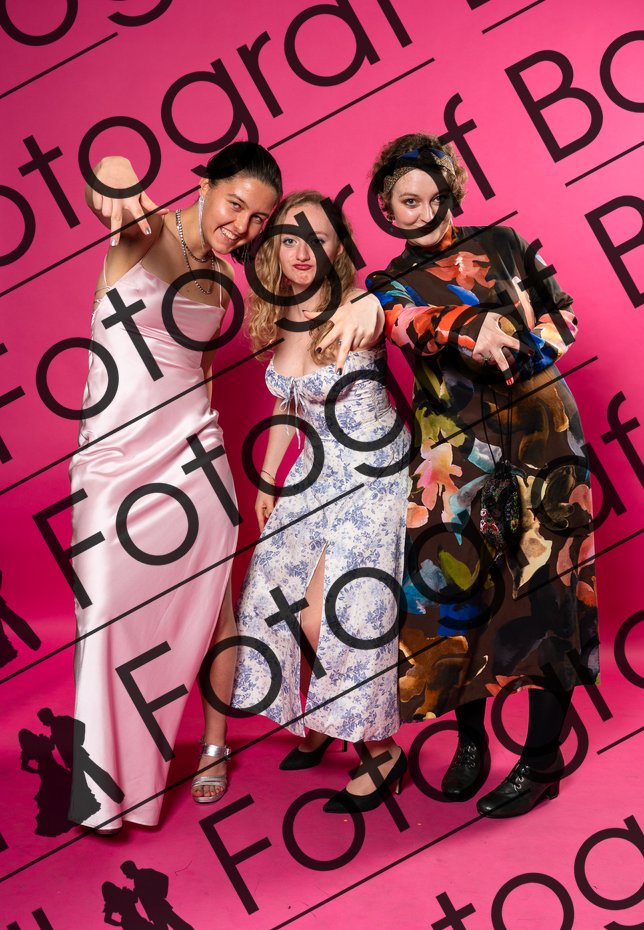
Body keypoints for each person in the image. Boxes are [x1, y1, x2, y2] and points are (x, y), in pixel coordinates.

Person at [366, 133, 599, 818]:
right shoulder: (386, 285)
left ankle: (541, 759)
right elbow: (406, 323)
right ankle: (471, 741)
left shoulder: (506, 243)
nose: (424, 210)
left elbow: (563, 312)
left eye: (434, 195)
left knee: (550, 592)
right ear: (386, 207)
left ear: (452, 193)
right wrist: (470, 329)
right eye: (408, 200)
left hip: (545, 439)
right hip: (454, 458)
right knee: (453, 594)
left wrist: (527, 351)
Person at [70, 142, 282, 828]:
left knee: (215, 609)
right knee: (105, 607)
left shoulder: (223, 280)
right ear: (203, 185)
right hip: (113, 464)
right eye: (234, 204)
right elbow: (109, 174)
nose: (241, 226)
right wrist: (117, 177)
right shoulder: (144, 231)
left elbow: (200, 372)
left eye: (258, 219)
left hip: (193, 456)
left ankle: (215, 743)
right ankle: (109, 787)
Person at [231, 191, 410, 812]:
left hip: (373, 471)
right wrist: (268, 481)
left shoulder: (359, 306)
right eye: (289, 238)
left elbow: (389, 304)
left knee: (335, 614)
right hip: (314, 471)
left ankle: (382, 750)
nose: (302, 250)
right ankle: (323, 717)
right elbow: (289, 402)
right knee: (271, 595)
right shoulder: (282, 313)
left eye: (318, 238)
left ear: (339, 248)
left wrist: (374, 301)